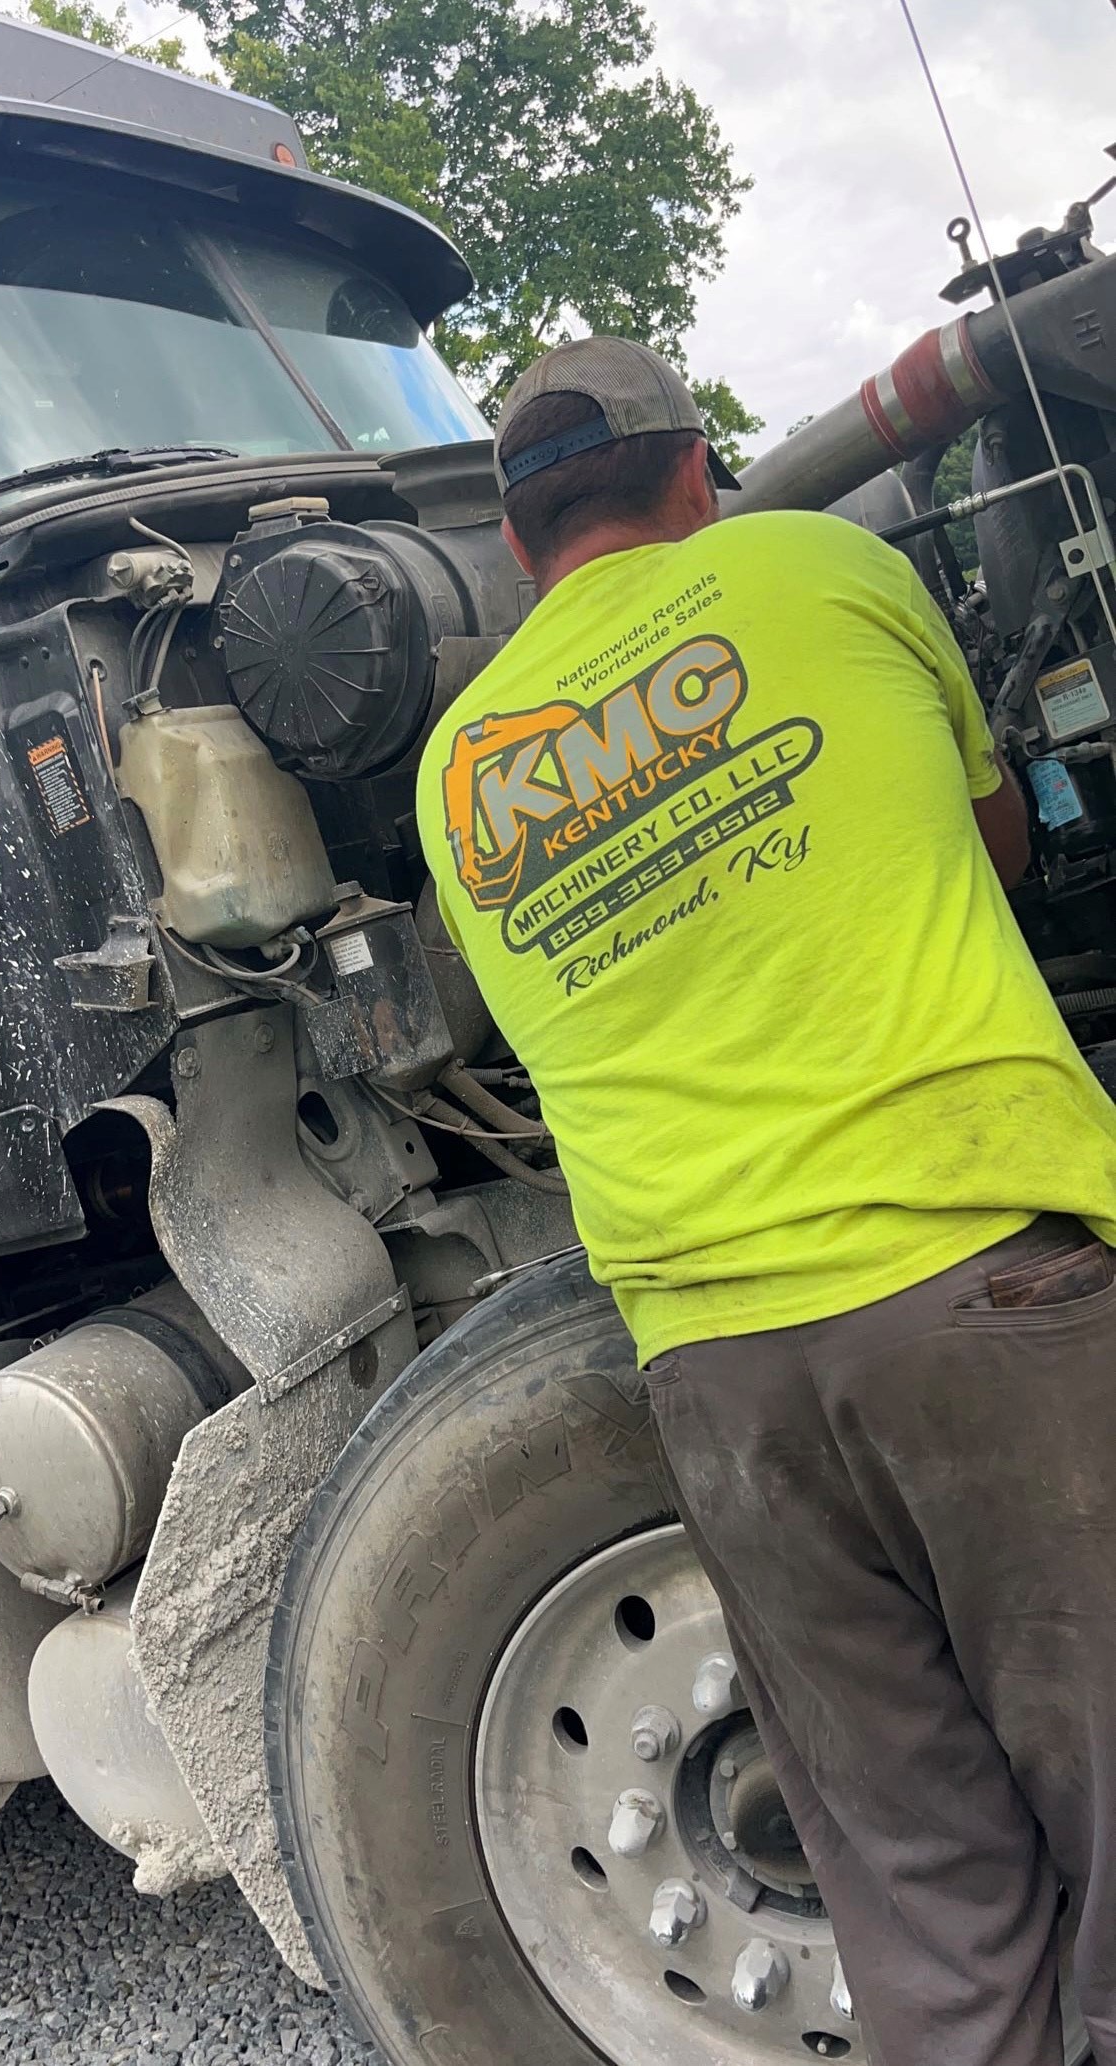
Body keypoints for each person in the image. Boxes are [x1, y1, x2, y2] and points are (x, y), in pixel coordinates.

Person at [413, 335, 1116, 2066]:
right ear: (693, 473)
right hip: (980, 1279)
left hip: (715, 1371)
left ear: (514, 544)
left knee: (921, 1876)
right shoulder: (821, 565)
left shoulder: (452, 771)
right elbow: (1002, 845)